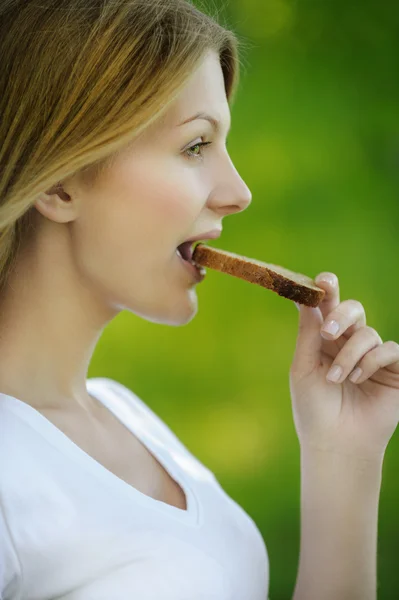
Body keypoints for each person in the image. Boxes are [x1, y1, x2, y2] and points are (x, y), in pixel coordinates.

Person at [0, 1, 398, 599]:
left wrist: (343, 453)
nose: (238, 193)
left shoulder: (130, 419)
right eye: (195, 146)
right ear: (59, 181)